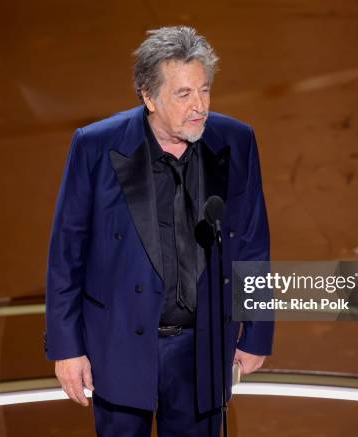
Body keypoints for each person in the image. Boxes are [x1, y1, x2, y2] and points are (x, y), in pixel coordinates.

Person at [44, 26, 274, 437]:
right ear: (149, 97)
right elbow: (67, 254)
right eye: (183, 95)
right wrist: (68, 349)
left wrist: (256, 332)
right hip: (119, 347)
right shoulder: (96, 146)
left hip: (201, 350)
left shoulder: (236, 141)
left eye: (204, 91)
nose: (199, 106)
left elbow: (252, 243)